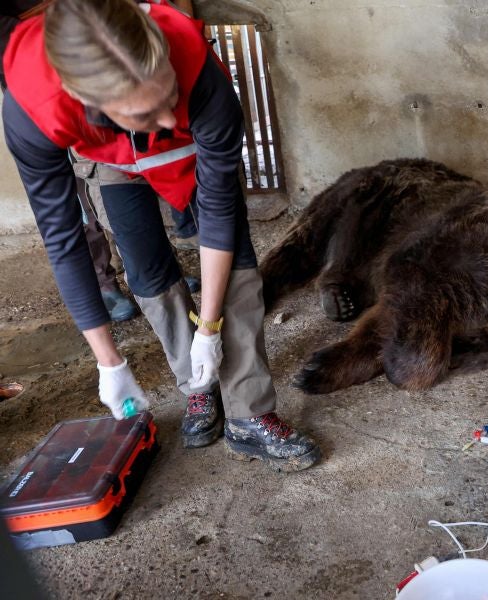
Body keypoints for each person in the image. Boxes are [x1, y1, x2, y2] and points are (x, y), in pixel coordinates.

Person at [2, 0, 321, 472]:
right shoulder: (33, 108)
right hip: (111, 164)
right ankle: (198, 388)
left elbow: (218, 211)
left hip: (196, 150)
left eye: (166, 95)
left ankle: (249, 412)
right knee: (146, 270)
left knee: (236, 269)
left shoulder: (197, 71)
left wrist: (209, 329)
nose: (168, 120)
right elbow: (63, 239)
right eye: (146, 112)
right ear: (91, 104)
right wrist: (109, 364)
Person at [2, 1, 139, 323]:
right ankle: (104, 281)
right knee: (80, 202)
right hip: (42, 98)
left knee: (123, 174)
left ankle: (144, 269)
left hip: (97, 79)